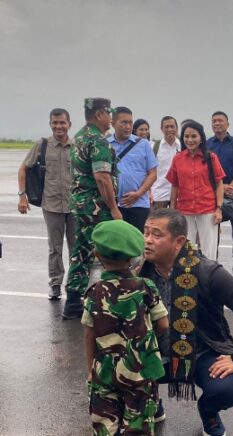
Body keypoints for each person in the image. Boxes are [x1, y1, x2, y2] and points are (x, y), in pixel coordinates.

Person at [140, 208, 233, 436]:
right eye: (145, 232)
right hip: (156, 353)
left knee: (227, 388)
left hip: (202, 353)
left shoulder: (206, 271)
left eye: (156, 235)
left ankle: (208, 413)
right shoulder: (139, 269)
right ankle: (150, 400)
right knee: (115, 367)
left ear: (179, 242)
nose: (147, 240)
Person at [82, 219, 169, 435]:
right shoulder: (145, 287)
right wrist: (146, 342)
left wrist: (91, 369)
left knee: (104, 424)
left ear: (97, 256)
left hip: (105, 370)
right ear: (132, 258)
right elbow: (163, 324)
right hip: (140, 370)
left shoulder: (94, 292)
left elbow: (89, 334)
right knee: (138, 425)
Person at [62, 97, 121, 320]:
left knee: (82, 252)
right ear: (99, 114)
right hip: (97, 207)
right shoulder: (98, 141)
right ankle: (112, 301)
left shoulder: (79, 136)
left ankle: (74, 302)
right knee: (109, 251)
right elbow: (102, 178)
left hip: (80, 205)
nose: (111, 118)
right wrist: (114, 209)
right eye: (109, 113)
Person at [17, 108, 75, 300]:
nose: (58, 126)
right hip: (51, 205)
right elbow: (24, 169)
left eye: (62, 123)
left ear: (69, 124)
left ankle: (75, 285)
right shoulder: (41, 145)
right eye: (55, 123)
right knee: (55, 248)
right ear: (50, 124)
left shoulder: (77, 146)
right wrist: (22, 195)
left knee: (76, 248)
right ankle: (56, 284)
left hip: (75, 206)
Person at [166, 120, 225, 261]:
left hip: (207, 209)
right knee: (185, 249)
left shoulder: (211, 158)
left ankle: (209, 279)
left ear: (201, 138)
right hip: (184, 210)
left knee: (208, 250)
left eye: (194, 136)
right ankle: (188, 280)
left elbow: (219, 184)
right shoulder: (178, 159)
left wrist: (219, 209)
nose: (190, 140)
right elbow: (175, 186)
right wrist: (173, 210)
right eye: (186, 136)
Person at [207, 111, 233, 271]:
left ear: (227, 124)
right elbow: (207, 170)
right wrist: (221, 186)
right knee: (213, 225)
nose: (217, 123)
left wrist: (230, 186)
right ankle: (213, 257)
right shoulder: (209, 144)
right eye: (214, 121)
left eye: (220, 121)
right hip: (213, 192)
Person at [108, 107, 158, 232]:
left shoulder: (143, 144)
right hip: (113, 206)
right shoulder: (104, 145)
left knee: (138, 245)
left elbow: (153, 174)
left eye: (130, 122)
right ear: (113, 123)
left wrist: (138, 194)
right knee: (115, 245)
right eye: (124, 122)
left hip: (138, 205)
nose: (128, 126)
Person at [150, 116, 180, 211]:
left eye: (172, 126)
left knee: (179, 225)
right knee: (155, 224)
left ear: (177, 128)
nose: (169, 129)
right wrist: (148, 192)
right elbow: (146, 171)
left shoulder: (184, 146)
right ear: (161, 129)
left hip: (179, 196)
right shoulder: (154, 147)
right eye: (166, 127)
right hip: (158, 194)